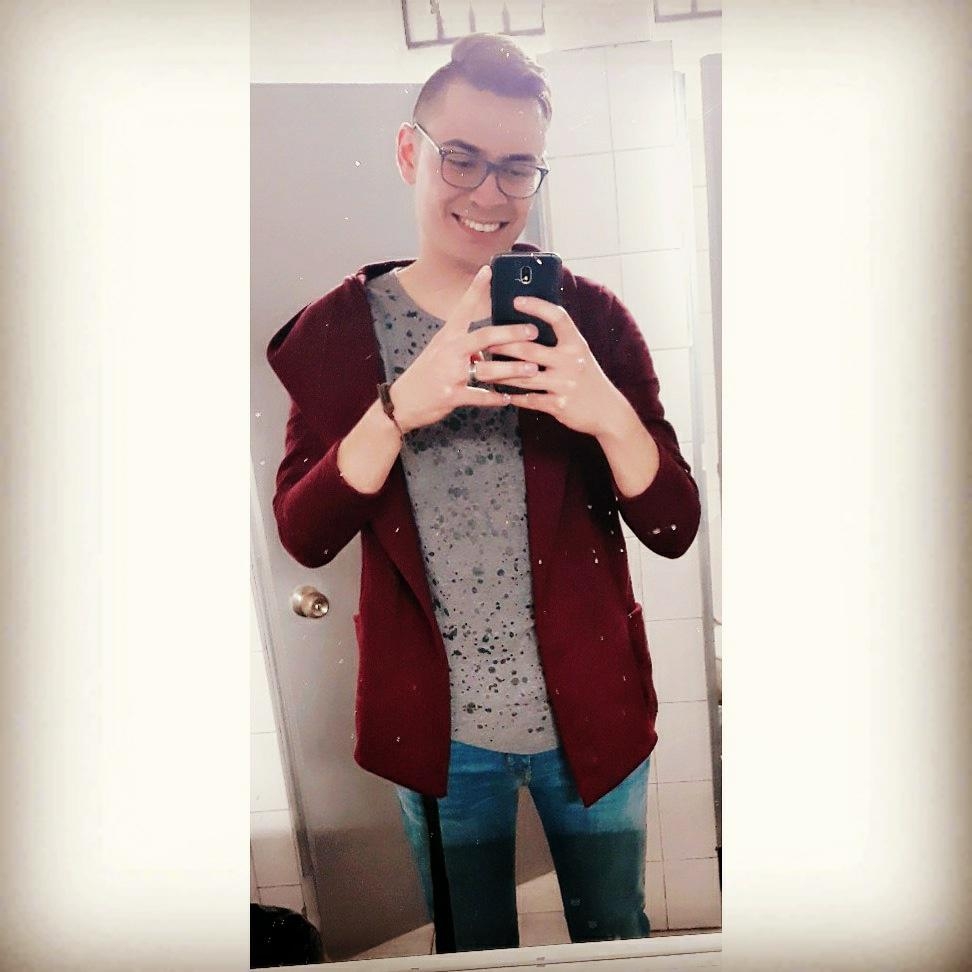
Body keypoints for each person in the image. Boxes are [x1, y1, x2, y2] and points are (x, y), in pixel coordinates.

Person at [267, 33, 701, 953]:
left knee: (615, 938)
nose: (488, 193)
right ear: (408, 151)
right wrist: (399, 408)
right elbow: (305, 534)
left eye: (517, 167)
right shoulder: (338, 334)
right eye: (460, 157)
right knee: (472, 950)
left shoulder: (591, 321)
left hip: (593, 707)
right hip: (438, 733)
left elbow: (673, 525)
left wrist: (606, 413)